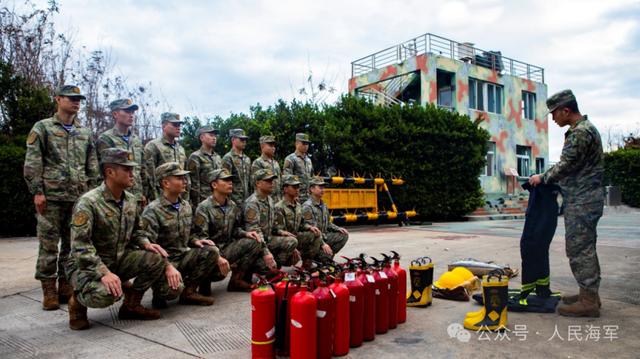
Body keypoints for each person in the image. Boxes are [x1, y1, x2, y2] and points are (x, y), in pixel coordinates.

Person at [65, 149, 180, 330]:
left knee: (156, 258)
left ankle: (131, 306)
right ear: (110, 172)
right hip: (86, 265)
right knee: (105, 295)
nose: (132, 174)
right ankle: (77, 303)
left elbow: (137, 232)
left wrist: (146, 243)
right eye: (127, 170)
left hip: (117, 259)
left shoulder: (130, 200)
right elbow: (80, 246)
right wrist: (104, 272)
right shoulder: (88, 202)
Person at [529, 89, 604, 318]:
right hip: (584, 199)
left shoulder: (580, 133)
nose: (553, 119)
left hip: (583, 201)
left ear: (566, 110)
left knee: (580, 249)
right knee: (584, 247)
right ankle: (588, 294)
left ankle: (589, 301)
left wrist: (541, 178)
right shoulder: (583, 130)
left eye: (554, 114)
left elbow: (565, 165)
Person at [23, 84, 99, 310]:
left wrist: (92, 193)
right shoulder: (43, 128)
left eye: (79, 99)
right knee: (48, 244)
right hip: (51, 197)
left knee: (72, 245)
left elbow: (92, 165)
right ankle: (48, 290)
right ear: (58, 99)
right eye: (71, 98)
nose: (76, 102)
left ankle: (66, 284)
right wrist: (37, 191)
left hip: (78, 198)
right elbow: (33, 162)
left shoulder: (83, 132)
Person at [136, 162, 229, 308]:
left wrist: (196, 241)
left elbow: (191, 233)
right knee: (172, 290)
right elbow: (148, 247)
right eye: (179, 178)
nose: (184, 181)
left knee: (212, 251)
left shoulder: (186, 206)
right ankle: (159, 293)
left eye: (184, 178)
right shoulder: (152, 210)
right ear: (166, 183)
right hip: (163, 262)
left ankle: (189, 292)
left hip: (182, 257)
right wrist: (167, 266)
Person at [190, 169, 264, 292]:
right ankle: (203, 282)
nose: (230, 183)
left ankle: (236, 280)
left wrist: (246, 233)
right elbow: (201, 239)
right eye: (225, 180)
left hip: (226, 249)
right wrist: (217, 257)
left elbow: (235, 230)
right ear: (214, 185)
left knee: (254, 241)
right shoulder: (204, 207)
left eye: (231, 180)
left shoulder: (232, 205)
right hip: (210, 253)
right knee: (209, 253)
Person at [97, 98, 148, 211]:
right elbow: (103, 172)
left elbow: (142, 169)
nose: (131, 115)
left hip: (137, 197)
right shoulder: (106, 139)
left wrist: (143, 193)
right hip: (116, 198)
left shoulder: (136, 140)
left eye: (132, 112)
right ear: (115, 114)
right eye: (127, 111)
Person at [244, 169, 299, 274]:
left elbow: (272, 225)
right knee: (255, 244)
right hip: (256, 243)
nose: (271, 184)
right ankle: (253, 271)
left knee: (291, 241)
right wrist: (266, 252)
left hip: (267, 239)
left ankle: (273, 269)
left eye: (272, 181)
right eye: (268, 181)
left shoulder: (269, 200)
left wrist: (281, 232)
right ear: (258, 183)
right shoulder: (252, 203)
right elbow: (254, 231)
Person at [274, 175, 323, 269]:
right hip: (284, 240)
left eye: (298, 187)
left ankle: (307, 263)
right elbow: (278, 230)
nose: (297, 189)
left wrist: (309, 227)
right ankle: (276, 267)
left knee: (316, 233)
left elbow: (302, 224)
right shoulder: (279, 207)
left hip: (295, 237)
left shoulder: (298, 206)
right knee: (292, 241)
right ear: (285, 189)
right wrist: (294, 247)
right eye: (294, 187)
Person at [302, 177, 349, 261]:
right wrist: (323, 244)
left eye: (323, 187)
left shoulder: (324, 205)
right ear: (312, 189)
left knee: (343, 235)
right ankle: (314, 258)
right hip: (314, 239)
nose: (323, 189)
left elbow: (328, 223)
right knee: (314, 236)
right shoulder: (307, 206)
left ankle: (326, 257)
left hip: (323, 236)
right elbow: (311, 230)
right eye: (320, 187)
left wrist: (338, 228)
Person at [144, 112, 188, 201]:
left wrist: (186, 196)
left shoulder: (180, 149)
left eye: (179, 125)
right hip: (161, 197)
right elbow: (149, 176)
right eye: (174, 124)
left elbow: (185, 175)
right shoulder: (153, 146)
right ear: (164, 126)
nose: (178, 127)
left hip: (179, 197)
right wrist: (154, 198)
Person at [187, 125, 222, 208]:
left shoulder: (217, 157)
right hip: (204, 201)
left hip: (218, 200)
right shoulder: (195, 157)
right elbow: (194, 184)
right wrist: (197, 205)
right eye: (211, 135)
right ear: (202, 137)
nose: (214, 138)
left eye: (215, 135)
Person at [222, 128, 252, 205]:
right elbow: (225, 181)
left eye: (245, 139)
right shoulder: (228, 158)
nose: (244, 142)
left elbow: (249, 181)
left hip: (247, 201)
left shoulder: (247, 159)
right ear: (233, 140)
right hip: (234, 201)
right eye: (241, 139)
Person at [283, 133, 313, 203]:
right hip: (296, 198)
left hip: (308, 198)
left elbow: (311, 178)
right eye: (303, 143)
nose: (306, 146)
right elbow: (287, 179)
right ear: (296, 143)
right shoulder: (290, 159)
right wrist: (293, 196)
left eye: (307, 144)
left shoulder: (309, 160)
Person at [251, 135, 282, 201]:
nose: (273, 148)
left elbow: (280, 181)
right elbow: (255, 184)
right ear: (262, 146)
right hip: (265, 200)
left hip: (277, 200)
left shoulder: (276, 163)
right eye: (270, 145)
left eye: (274, 146)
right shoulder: (258, 163)